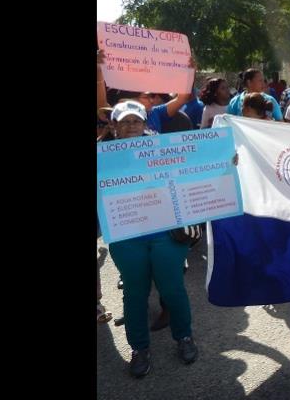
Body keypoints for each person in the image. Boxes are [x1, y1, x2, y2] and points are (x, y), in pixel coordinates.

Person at [103, 101, 198, 377]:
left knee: (172, 289)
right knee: (134, 294)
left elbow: (198, 169)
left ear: (145, 124)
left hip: (165, 233)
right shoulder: (102, 155)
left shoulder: (164, 149)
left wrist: (227, 162)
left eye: (136, 121)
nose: (131, 126)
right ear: (114, 126)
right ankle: (139, 348)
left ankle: (184, 337)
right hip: (125, 235)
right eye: (124, 121)